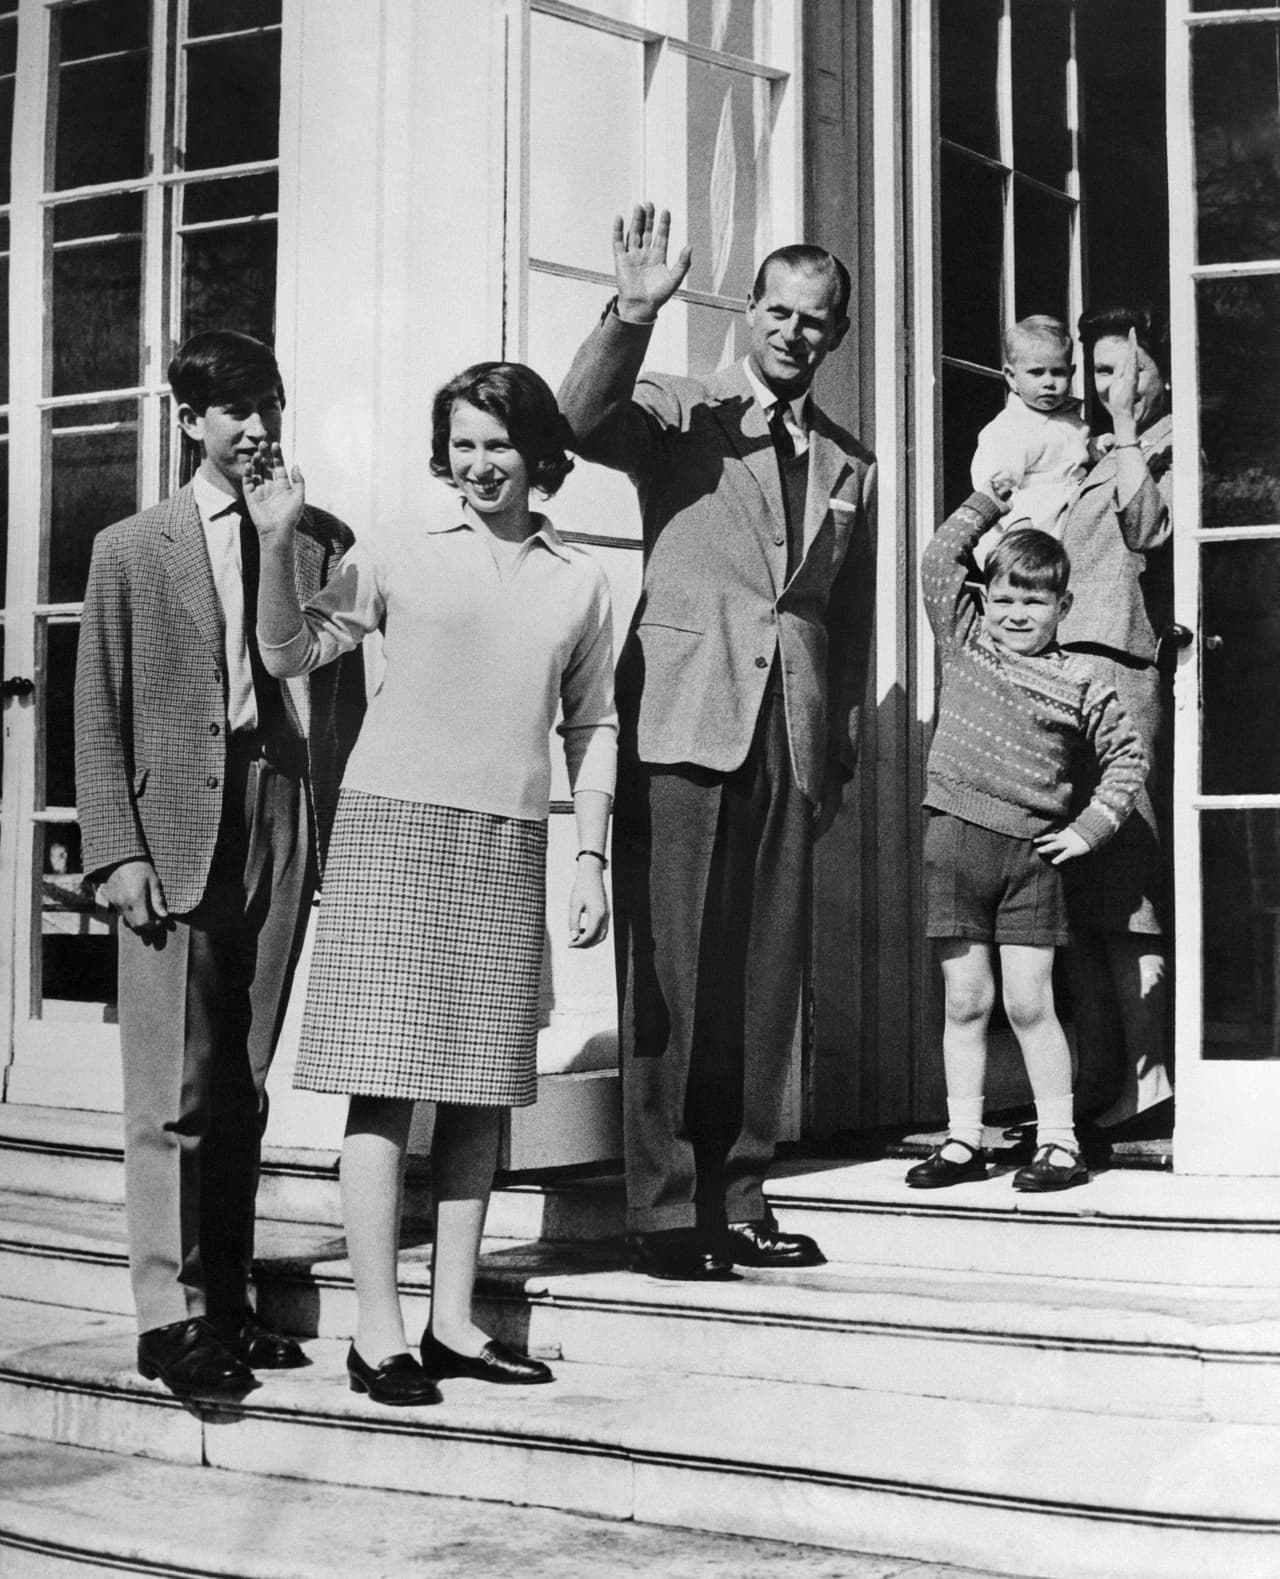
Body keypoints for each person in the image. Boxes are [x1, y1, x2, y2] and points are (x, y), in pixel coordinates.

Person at [248, 362, 616, 1405]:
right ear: (440, 453)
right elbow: (286, 651)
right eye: (461, 444)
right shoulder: (398, 554)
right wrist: (278, 541)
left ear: (537, 451)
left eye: (497, 443)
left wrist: (586, 856)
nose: (479, 463)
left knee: (478, 1091)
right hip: (394, 829)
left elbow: (592, 726)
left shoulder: (581, 580)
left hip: (506, 840)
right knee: (387, 1079)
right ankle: (377, 1331)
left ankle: (453, 1321)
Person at [559, 204, 876, 1281]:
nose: (791, 332)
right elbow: (577, 420)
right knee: (672, 975)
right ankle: (660, 1207)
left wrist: (832, 747)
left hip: (784, 736)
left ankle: (739, 1196)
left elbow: (846, 612)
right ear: (748, 313)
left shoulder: (848, 461)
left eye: (813, 320)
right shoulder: (680, 411)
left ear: (834, 335)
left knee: (760, 976)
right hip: (684, 719)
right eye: (776, 311)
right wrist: (630, 316)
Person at [74, 330, 364, 1400]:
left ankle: (229, 1305)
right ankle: (169, 1315)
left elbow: (331, 691)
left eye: (268, 406)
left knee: (240, 1080)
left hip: (278, 809)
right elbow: (95, 712)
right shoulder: (131, 547)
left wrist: (286, 543)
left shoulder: (321, 540)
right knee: (172, 1088)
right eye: (234, 409)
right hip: (172, 829)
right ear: (189, 419)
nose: (256, 429)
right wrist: (114, 850)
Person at [907, 485, 1148, 1193]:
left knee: (1029, 1003)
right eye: (1006, 597)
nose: (1017, 613)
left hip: (1031, 860)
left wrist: (1087, 830)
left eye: (1035, 601)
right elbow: (937, 559)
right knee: (965, 1001)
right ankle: (961, 1140)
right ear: (988, 600)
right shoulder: (967, 640)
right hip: (955, 844)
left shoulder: (1080, 680)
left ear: (1062, 608)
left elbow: (1127, 758)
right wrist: (991, 500)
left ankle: (1060, 1144)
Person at [1058, 306, 1176, 1130]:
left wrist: (1132, 430)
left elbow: (1151, 529)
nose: (1109, 390)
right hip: (1075, 670)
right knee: (1086, 891)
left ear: (1159, 367)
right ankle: (1108, 1080)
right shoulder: (1096, 452)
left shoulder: (1167, 442)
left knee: (1125, 878)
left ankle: (1152, 1078)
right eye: (1097, 374)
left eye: (1124, 368)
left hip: (1121, 675)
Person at [970, 315, 1094, 570]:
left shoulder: (1071, 422)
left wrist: (1097, 448)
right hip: (1022, 539)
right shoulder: (1010, 428)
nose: (1049, 382)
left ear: (1072, 373)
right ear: (1012, 376)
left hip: (1064, 537)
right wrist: (1019, 524)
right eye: (1036, 372)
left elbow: (1074, 456)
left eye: (1058, 372)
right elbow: (997, 485)